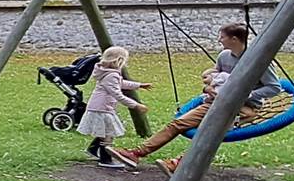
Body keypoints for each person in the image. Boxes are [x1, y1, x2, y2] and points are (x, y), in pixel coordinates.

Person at [109, 58, 258, 174]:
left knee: (209, 133)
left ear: (234, 38)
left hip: (237, 106)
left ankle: (180, 164)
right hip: (213, 103)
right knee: (176, 124)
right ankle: (136, 153)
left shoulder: (258, 60)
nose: (220, 40)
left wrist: (235, 97)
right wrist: (208, 88)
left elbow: (270, 88)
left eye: (223, 37)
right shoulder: (225, 56)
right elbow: (213, 78)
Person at [78, 46, 151, 166]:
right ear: (119, 61)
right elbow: (118, 94)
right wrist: (136, 105)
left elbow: (121, 83)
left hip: (99, 107)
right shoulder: (112, 75)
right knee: (109, 134)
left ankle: (93, 149)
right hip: (102, 109)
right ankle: (106, 159)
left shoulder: (107, 72)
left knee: (104, 131)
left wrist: (139, 85)